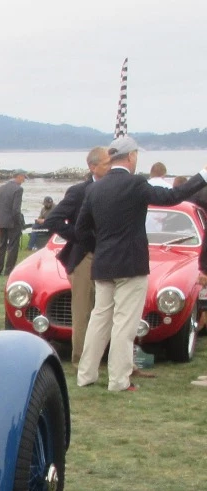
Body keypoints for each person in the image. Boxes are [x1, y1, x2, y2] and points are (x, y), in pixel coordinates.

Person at [76, 136, 207, 390]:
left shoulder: (95, 188)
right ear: (131, 156)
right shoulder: (135, 184)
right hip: (131, 264)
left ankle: (86, 375)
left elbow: (81, 230)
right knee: (124, 323)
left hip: (103, 263)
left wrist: (100, 248)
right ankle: (118, 379)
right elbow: (172, 196)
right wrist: (203, 175)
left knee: (99, 319)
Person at [43, 146, 111, 366]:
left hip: (110, 256)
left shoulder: (115, 188)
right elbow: (53, 220)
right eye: (106, 164)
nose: (110, 167)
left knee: (107, 308)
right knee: (82, 310)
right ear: (93, 167)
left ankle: (106, 354)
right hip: (85, 257)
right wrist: (81, 237)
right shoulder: (79, 191)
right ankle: (80, 358)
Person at [0, 170, 26, 275]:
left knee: (1, 245)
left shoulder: (1, 188)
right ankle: (9, 270)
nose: (24, 180)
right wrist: (19, 222)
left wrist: (0, 217)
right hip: (12, 222)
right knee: (12, 246)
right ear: (19, 177)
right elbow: (16, 209)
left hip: (2, 221)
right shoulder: (18, 189)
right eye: (23, 178)